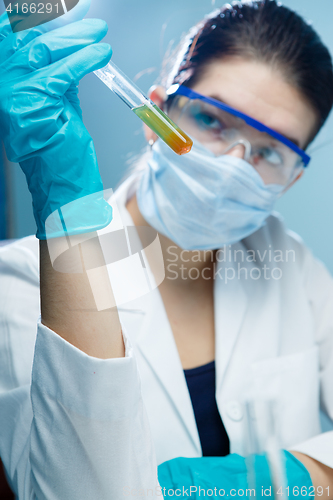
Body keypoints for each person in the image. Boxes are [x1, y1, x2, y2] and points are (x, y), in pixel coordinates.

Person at [0, 0, 333, 498]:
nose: (233, 166)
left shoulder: (289, 260)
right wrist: (66, 209)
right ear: (156, 112)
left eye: (269, 152)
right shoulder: (20, 282)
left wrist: (277, 480)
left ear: (293, 177)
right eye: (213, 120)